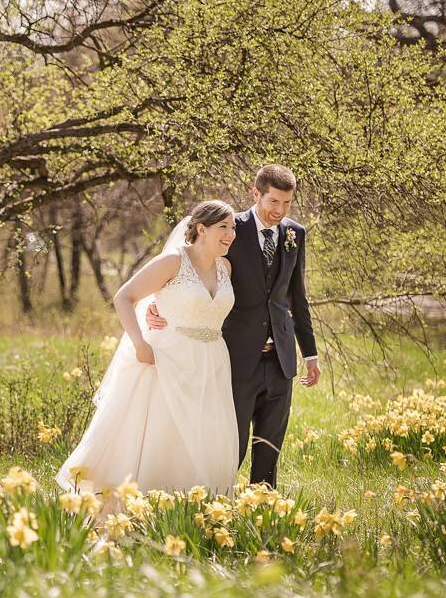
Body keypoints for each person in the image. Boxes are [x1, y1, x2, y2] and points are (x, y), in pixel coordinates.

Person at [147, 165, 319, 488]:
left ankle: (261, 515)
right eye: (273, 202)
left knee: (269, 452)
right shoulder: (227, 230)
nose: (279, 211)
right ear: (256, 194)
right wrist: (161, 306)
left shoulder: (295, 234)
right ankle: (217, 509)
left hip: (281, 361)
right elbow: (193, 272)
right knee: (230, 448)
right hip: (237, 359)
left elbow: (297, 297)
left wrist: (309, 354)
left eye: (286, 203)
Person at [55, 200, 239, 499]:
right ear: (202, 229)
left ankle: (196, 505)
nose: (230, 234)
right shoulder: (173, 261)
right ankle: (143, 504)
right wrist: (140, 343)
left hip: (212, 362)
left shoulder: (225, 268)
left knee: (202, 437)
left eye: (233, 228)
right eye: (223, 227)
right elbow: (124, 296)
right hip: (168, 359)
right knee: (164, 434)